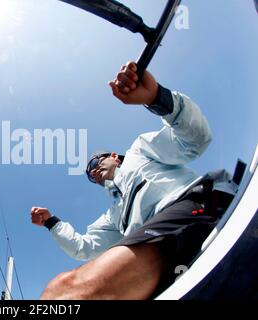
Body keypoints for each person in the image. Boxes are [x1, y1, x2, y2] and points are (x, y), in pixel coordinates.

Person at [31, 61, 236, 299]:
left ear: (115, 157)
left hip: (194, 209)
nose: (93, 171)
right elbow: (83, 248)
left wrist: (158, 98)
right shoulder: (115, 215)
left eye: (96, 163)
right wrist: (51, 222)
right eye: (89, 173)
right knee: (57, 292)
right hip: (156, 251)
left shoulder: (140, 151)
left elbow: (195, 140)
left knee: (65, 292)